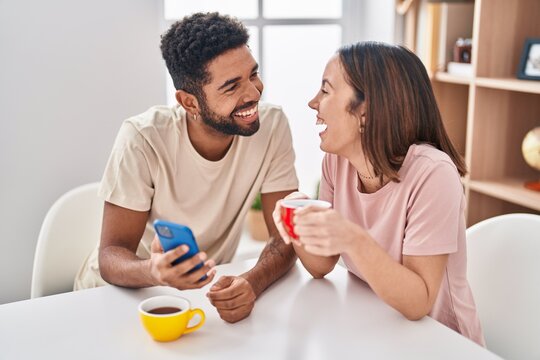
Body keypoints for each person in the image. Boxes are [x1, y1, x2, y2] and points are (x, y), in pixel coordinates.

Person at [75, 12, 299, 323]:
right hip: (119, 294)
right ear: (189, 102)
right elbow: (110, 255)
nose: (254, 92)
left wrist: (252, 281)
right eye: (232, 86)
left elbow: (285, 234)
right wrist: (154, 270)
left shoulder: (272, 126)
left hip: (200, 295)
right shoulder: (143, 138)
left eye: (253, 74)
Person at [272, 41, 485, 346]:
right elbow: (322, 265)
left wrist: (351, 237)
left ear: (365, 111)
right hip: (377, 327)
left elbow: (418, 302)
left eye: (326, 90)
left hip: (441, 342)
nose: (313, 102)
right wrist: (297, 225)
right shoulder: (336, 161)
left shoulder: (433, 173)